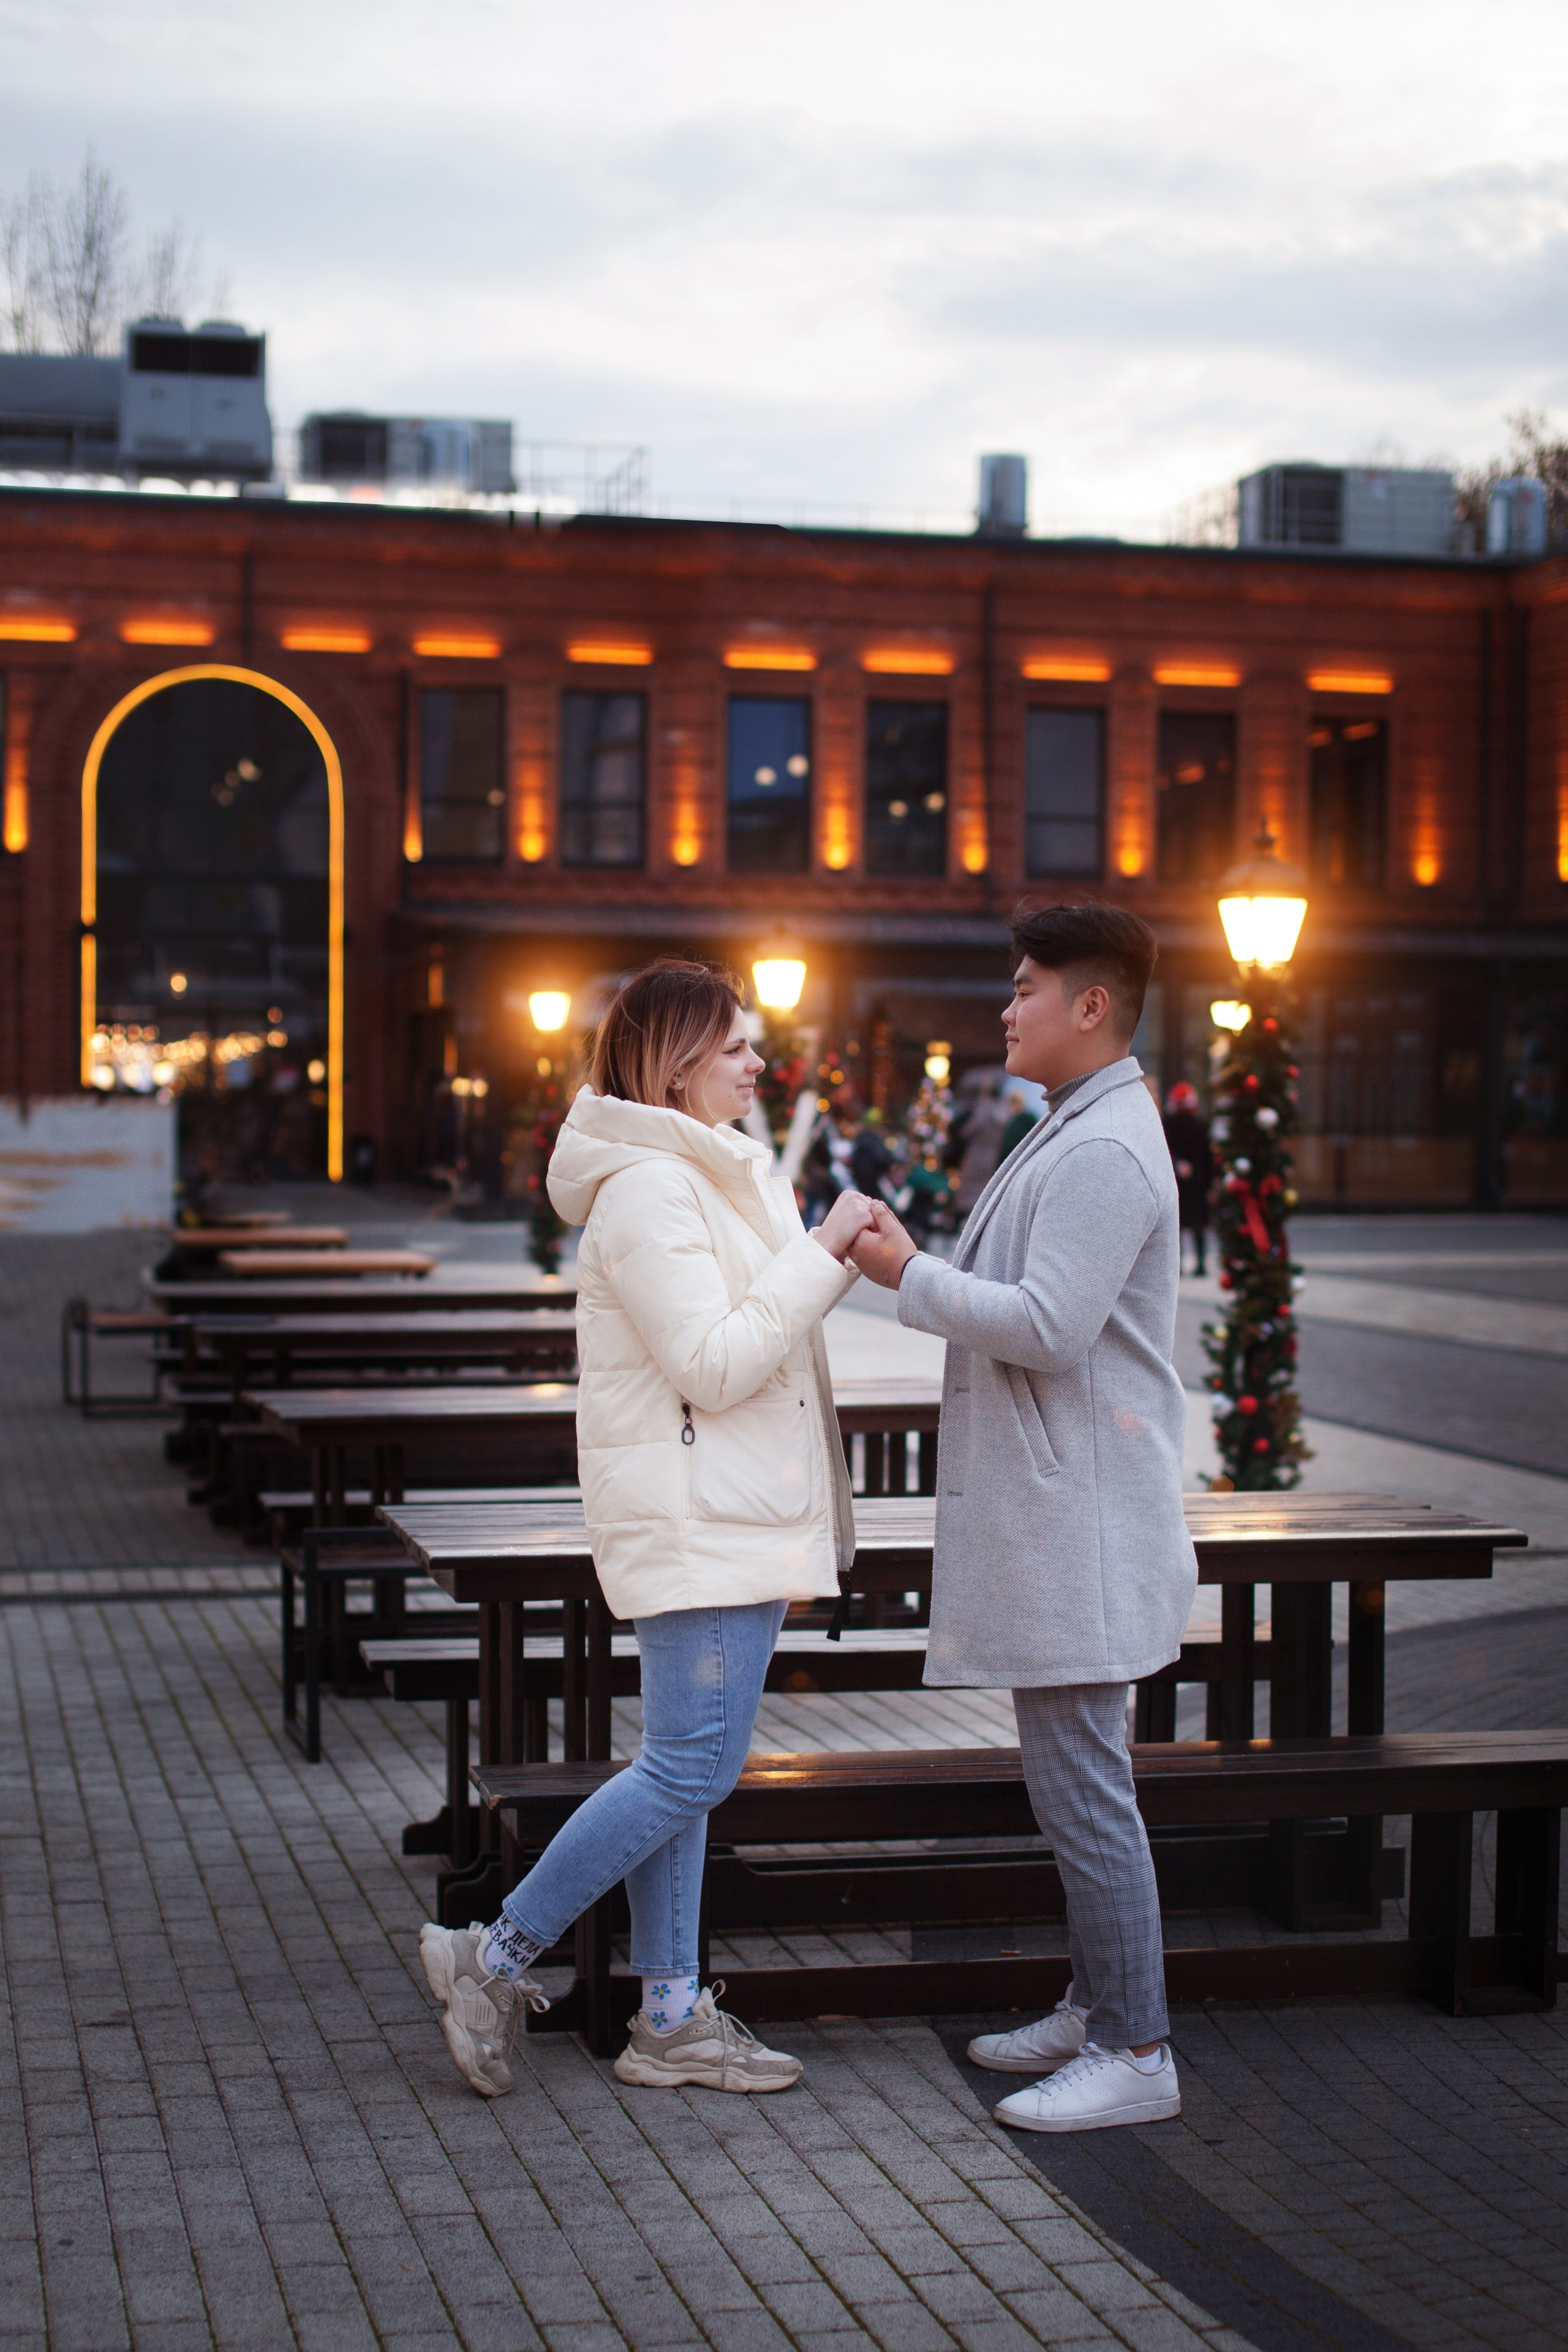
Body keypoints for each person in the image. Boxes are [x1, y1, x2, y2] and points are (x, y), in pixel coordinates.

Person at [420, 958, 873, 2098]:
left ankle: (669, 2018)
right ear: (675, 1066)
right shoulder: (651, 1190)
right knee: (687, 1768)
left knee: (689, 1770)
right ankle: (495, 1955)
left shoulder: (715, 1172)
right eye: (735, 1048)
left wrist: (810, 1252)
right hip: (699, 1511)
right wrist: (821, 1257)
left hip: (733, 1505)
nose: (759, 1064)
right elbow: (715, 1365)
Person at [848, 903, 1196, 2134]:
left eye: (1024, 988)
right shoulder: (1078, 1125)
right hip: (1070, 1513)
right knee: (1073, 1784)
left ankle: (1134, 2045)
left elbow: (1047, 1327)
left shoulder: (1101, 1146)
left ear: (1089, 1006)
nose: (1005, 1009)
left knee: (1086, 1790)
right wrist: (924, 1265)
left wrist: (904, 1277)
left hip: (1079, 1522)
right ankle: (1097, 2001)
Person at [1162, 1082, 1212, 1276]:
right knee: (1199, 1226)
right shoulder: (1201, 1125)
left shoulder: (1167, 1125)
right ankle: (1201, 1265)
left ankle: (1179, 1267)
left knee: (1178, 1227)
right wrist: (1210, 1183)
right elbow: (1208, 1157)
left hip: (1177, 1183)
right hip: (1198, 1182)